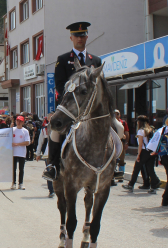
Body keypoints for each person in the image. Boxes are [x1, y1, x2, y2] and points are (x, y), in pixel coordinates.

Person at [43, 21, 103, 181]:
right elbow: (59, 85)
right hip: (69, 108)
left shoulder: (95, 61)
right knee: (55, 131)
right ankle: (53, 165)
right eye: (77, 35)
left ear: (87, 37)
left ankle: (113, 164)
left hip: (90, 109)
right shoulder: (62, 60)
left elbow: (101, 86)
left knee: (115, 128)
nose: (80, 38)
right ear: (71, 38)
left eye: (82, 35)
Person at [122, 115, 160, 192]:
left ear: (139, 122)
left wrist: (138, 155)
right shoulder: (151, 129)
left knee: (136, 169)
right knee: (150, 170)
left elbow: (140, 144)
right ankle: (153, 187)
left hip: (144, 152)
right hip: (151, 151)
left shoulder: (141, 131)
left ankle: (131, 184)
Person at [11, 115, 30, 190]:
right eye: (17, 121)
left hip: (21, 152)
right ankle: (13, 183)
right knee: (13, 169)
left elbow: (27, 142)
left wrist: (17, 144)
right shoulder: (12, 129)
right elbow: (7, 136)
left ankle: (21, 183)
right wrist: (10, 127)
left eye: (20, 121)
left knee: (21, 169)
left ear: (23, 122)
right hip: (13, 152)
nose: (18, 122)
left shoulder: (25, 131)